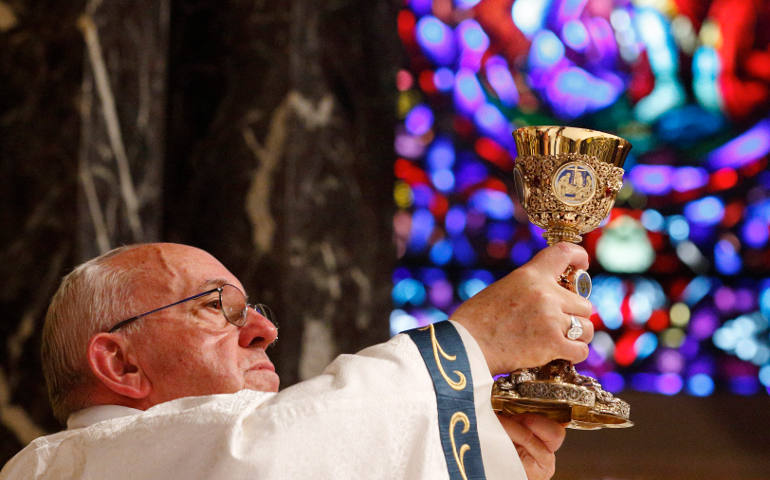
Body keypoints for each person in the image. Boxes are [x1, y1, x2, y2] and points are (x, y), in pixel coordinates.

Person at [0, 242, 593, 479]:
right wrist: (471, 341)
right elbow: (261, 457)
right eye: (217, 307)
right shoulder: (80, 467)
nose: (264, 329)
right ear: (121, 365)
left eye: (252, 309)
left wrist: (473, 452)